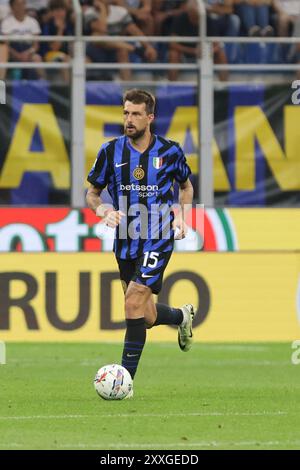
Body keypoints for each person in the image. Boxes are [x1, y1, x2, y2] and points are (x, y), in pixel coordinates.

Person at [86, 89, 195, 398]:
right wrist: (102, 209)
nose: (128, 119)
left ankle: (123, 382)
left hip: (158, 236)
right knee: (144, 315)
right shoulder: (110, 152)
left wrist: (181, 216)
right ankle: (180, 317)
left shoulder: (170, 151)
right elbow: (93, 192)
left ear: (150, 118)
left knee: (133, 301)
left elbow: (186, 186)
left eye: (135, 114)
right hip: (125, 240)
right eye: (125, 113)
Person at [1, 0, 44, 79]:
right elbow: (6, 44)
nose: (20, 7)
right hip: (12, 52)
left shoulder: (33, 22)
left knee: (37, 58)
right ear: (12, 7)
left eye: (22, 4)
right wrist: (17, 55)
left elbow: (36, 45)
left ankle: (42, 86)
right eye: (17, 4)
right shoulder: (6, 22)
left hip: (28, 51)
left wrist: (27, 53)